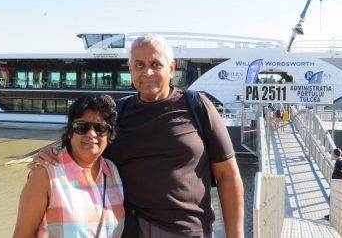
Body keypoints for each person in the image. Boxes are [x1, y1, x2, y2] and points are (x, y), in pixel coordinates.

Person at [32, 33, 244, 237]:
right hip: (129, 230)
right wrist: (52, 157)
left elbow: (228, 175)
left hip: (188, 231)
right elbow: (85, 152)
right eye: (139, 65)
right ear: (131, 69)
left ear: (171, 68)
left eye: (156, 64)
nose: (147, 72)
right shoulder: (119, 112)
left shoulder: (197, 106)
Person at [13, 94, 125, 238]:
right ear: (70, 131)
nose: (91, 134)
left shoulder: (113, 172)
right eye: (82, 127)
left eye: (100, 128)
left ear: (108, 133)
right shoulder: (45, 174)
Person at [325, 147, 342, 220]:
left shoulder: (339, 162)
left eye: (332, 154)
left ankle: (333, 215)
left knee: (331, 199)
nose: (332, 155)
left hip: (338, 184)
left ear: (335, 154)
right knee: (334, 199)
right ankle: (333, 214)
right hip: (337, 184)